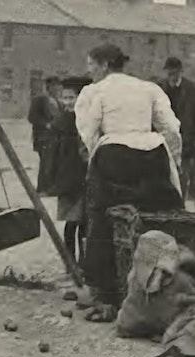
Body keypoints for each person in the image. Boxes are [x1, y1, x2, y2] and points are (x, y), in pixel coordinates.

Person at [76, 44, 184, 322]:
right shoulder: (149, 88)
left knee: (102, 215)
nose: (89, 71)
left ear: (103, 65)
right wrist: (174, 160)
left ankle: (103, 289)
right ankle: (171, 280)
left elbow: (88, 130)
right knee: (162, 213)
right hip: (153, 157)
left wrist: (94, 157)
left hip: (116, 157)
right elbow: (171, 127)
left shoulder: (95, 91)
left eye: (90, 65)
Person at [50, 77, 92, 266]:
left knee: (85, 222)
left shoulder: (88, 120)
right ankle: (70, 262)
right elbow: (54, 155)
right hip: (68, 178)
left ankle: (84, 261)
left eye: (71, 98)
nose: (67, 102)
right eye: (64, 98)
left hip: (85, 177)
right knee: (71, 221)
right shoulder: (61, 121)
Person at [158, 57, 195, 202]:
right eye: (169, 74)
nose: (171, 77)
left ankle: (181, 204)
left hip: (185, 139)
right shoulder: (160, 88)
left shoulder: (191, 89)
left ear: (180, 72)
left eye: (174, 74)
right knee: (164, 173)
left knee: (182, 173)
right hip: (165, 138)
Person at [28, 76, 63, 195]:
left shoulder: (57, 101)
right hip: (43, 137)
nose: (56, 89)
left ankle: (51, 187)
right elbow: (32, 117)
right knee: (46, 163)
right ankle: (42, 189)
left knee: (54, 162)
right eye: (54, 86)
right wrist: (46, 125)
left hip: (55, 137)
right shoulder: (39, 99)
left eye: (57, 86)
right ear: (48, 87)